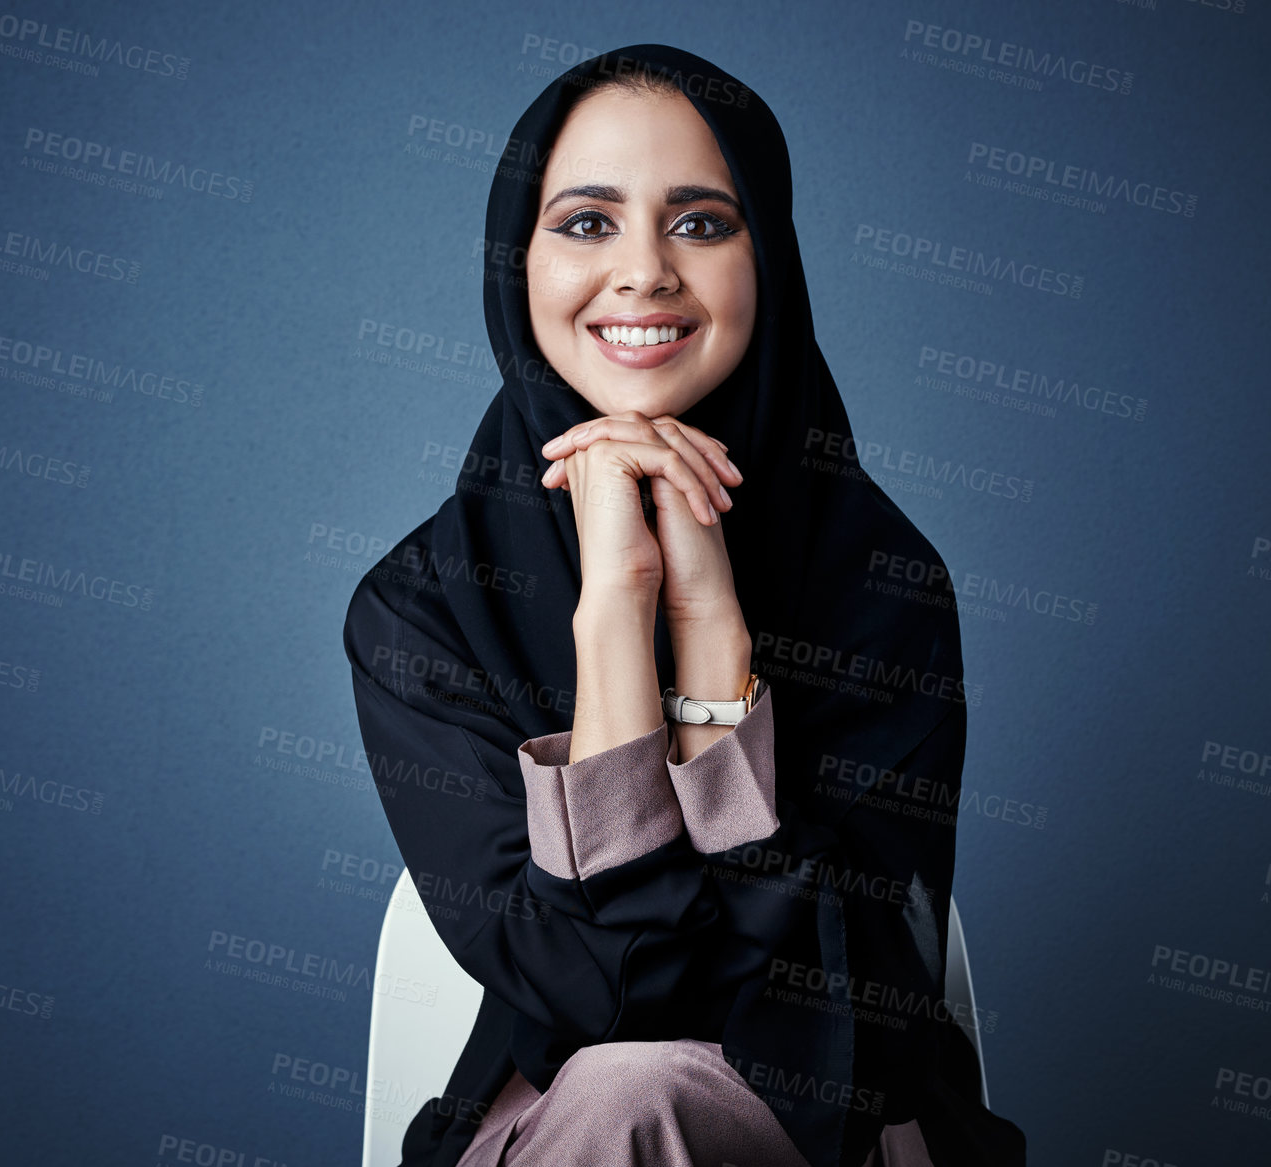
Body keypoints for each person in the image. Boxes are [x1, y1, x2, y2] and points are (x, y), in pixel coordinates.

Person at [342, 44, 1027, 1167]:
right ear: (517, 261)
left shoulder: (879, 582)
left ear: (771, 258)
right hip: (570, 1117)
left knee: (639, 1096)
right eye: (586, 222)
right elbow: (586, 998)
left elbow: (851, 1014)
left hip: (838, 1122)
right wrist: (615, 605)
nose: (645, 272)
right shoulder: (422, 609)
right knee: (626, 1092)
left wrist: (714, 638)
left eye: (702, 223)